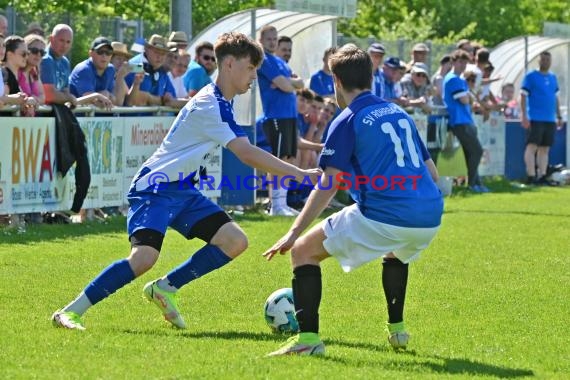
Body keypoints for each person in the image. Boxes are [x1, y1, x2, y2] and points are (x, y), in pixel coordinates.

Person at [51, 31, 322, 331]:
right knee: (143, 259)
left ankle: (165, 288)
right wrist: (299, 174)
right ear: (229, 64)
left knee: (234, 241)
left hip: (181, 189)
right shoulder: (212, 105)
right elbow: (246, 154)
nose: (253, 77)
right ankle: (69, 312)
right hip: (156, 188)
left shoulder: (219, 102)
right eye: (250, 68)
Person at [263, 43, 443, 356]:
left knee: (304, 252)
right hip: (430, 216)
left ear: (336, 81)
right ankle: (398, 332)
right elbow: (434, 175)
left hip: (388, 215)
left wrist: (293, 233)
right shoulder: (399, 113)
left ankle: (307, 342)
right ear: (371, 77)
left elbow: (328, 185)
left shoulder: (347, 119)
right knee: (396, 253)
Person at [257, 25, 304, 216]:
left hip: (290, 115)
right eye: (268, 38)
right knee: (278, 160)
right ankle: (275, 205)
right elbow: (286, 86)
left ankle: (282, 204)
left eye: (274, 38)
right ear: (261, 40)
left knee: (288, 158)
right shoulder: (264, 60)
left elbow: (300, 83)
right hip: (276, 116)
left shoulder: (279, 61)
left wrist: (287, 83)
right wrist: (287, 83)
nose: (272, 41)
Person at [443, 50, 488, 192]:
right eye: (460, 62)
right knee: (477, 151)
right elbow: (464, 99)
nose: (463, 65)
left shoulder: (460, 79)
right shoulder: (452, 79)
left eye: (465, 62)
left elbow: (469, 98)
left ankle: (475, 184)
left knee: (472, 152)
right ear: (453, 62)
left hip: (465, 119)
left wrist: (470, 98)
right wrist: (469, 98)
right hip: (459, 121)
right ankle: (473, 184)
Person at [520, 51, 563, 185]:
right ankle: (531, 175)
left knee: (545, 148)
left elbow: (555, 97)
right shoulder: (531, 76)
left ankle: (542, 175)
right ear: (538, 61)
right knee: (532, 146)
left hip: (549, 119)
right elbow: (523, 95)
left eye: (548, 60)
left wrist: (559, 115)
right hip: (535, 117)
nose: (545, 62)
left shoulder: (552, 77)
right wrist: (524, 116)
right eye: (543, 59)